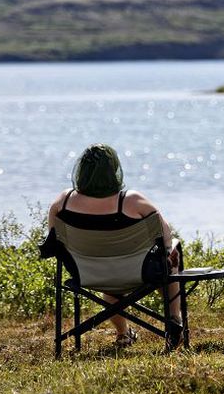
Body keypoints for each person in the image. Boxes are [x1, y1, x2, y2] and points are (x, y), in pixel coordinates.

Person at [46, 143, 182, 348]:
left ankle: (123, 333)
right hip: (138, 273)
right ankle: (174, 319)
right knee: (173, 254)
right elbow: (165, 240)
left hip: (87, 274)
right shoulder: (134, 201)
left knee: (107, 266)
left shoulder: (62, 203)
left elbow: (54, 242)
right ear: (114, 172)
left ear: (81, 172)